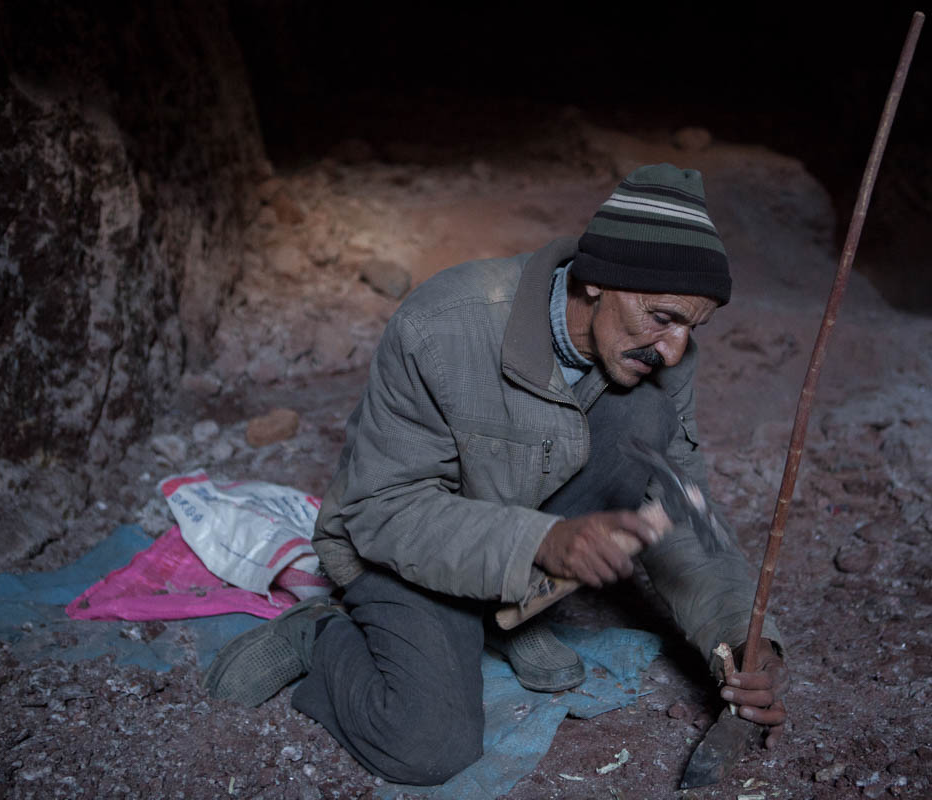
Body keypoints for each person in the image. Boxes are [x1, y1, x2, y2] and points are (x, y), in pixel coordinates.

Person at [203, 164, 789, 785]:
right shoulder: (442, 327)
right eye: (663, 318)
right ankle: (321, 637)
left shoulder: (655, 356)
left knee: (643, 417)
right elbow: (383, 511)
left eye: (693, 328)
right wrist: (538, 545)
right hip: (402, 549)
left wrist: (740, 642)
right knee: (427, 746)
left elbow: (677, 506)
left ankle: (507, 614)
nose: (674, 350)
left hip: (519, 541)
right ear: (595, 281)